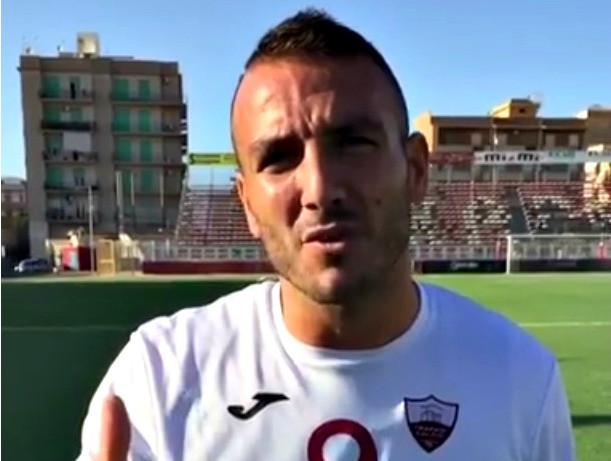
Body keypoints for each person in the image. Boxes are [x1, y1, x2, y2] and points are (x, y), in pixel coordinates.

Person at [77, 9, 575, 461]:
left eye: (353, 143)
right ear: (247, 203)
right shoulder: (158, 378)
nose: (319, 188)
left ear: (416, 170)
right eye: (278, 158)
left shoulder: (520, 378)